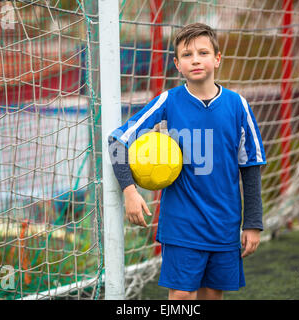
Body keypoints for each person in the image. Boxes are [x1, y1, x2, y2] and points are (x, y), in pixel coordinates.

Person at [108, 23, 266, 300]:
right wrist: (130, 191)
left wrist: (252, 222)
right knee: (181, 296)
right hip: (182, 221)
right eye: (187, 54)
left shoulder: (237, 104)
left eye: (203, 52)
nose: (195, 59)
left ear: (217, 58)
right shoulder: (169, 101)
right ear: (177, 64)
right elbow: (117, 141)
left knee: (212, 296)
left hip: (224, 222)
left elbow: (250, 166)